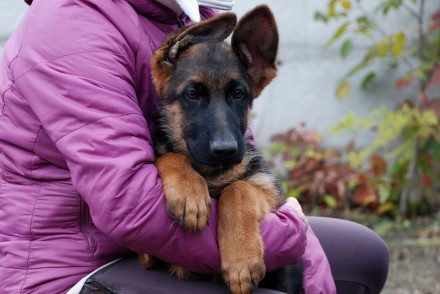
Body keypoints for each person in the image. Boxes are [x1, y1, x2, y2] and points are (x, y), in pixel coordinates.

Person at [0, 0, 388, 293]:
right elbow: (131, 206)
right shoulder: (68, 27)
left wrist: (292, 241)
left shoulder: (183, 20)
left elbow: (243, 168)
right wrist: (288, 235)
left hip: (165, 233)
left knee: (363, 253)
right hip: (72, 268)